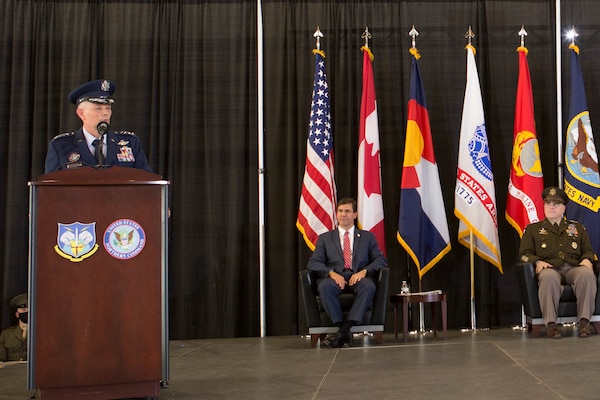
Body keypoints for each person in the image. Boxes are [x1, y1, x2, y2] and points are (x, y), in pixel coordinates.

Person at [307, 198, 388, 347]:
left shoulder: (367, 237)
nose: (343, 215)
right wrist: (331, 273)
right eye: (340, 211)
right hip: (334, 278)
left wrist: (364, 271)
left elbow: (380, 260)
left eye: (347, 211)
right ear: (336, 214)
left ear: (355, 214)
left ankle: (343, 331)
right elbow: (313, 263)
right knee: (324, 287)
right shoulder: (325, 238)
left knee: (369, 286)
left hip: (357, 277)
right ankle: (344, 331)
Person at [519, 186, 597, 338]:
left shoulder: (577, 228)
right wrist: (537, 261)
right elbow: (523, 254)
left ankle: (584, 322)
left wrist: (587, 259)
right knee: (548, 277)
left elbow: (588, 250)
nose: (551, 207)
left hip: (573, 267)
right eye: (548, 203)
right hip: (550, 268)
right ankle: (551, 325)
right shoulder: (533, 229)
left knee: (587, 274)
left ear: (564, 208)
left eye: (556, 204)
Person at [44, 79, 152, 173]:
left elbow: (146, 181)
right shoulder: (61, 146)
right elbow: (49, 189)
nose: (105, 113)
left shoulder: (130, 143)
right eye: (98, 108)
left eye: (108, 108)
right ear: (81, 113)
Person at [0, 293, 28, 362]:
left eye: (29, 310)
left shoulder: (40, 334)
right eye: (24, 310)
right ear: (17, 314)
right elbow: (1, 359)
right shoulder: (6, 334)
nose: (27, 313)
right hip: (11, 371)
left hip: (32, 371)